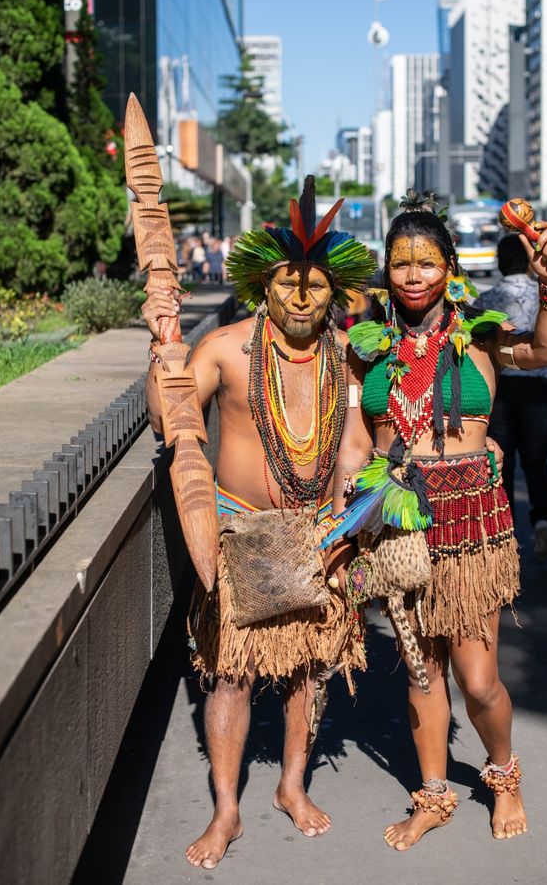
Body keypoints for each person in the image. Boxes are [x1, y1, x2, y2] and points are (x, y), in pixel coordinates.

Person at [324, 191, 547, 848]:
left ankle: (503, 773)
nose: (410, 274)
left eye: (425, 262)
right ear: (385, 269)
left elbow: (546, 351)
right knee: (418, 671)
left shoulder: (479, 333)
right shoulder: (364, 347)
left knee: (479, 681)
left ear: (448, 267)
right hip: (397, 523)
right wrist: (347, 505)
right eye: (399, 262)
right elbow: (354, 437)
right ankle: (432, 797)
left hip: (472, 524)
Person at [142, 176, 375, 870]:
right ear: (262, 286)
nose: (301, 297)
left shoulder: (345, 354)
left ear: (335, 291)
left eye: (315, 286)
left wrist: (345, 519)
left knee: (309, 670)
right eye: (288, 283)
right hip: (240, 531)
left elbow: (358, 442)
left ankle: (290, 786)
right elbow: (171, 422)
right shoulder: (224, 348)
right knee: (232, 677)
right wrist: (164, 364)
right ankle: (226, 809)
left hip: (317, 532)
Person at [477, 234, 547, 561]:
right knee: (537, 461)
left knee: (501, 463)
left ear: (499, 261)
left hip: (501, 389)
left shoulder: (485, 299)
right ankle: (543, 520)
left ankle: (506, 532)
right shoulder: (543, 293)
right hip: (540, 388)